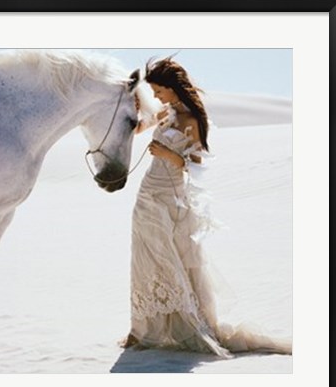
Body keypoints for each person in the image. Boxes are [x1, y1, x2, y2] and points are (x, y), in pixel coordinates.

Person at [122, 57, 292, 357]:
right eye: (155, 93)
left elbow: (195, 165)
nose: (158, 97)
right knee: (146, 259)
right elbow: (138, 129)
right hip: (147, 195)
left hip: (173, 198)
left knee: (174, 259)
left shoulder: (192, 121)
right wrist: (136, 109)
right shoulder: (165, 112)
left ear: (174, 89)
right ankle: (141, 330)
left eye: (160, 91)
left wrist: (166, 153)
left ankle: (188, 324)